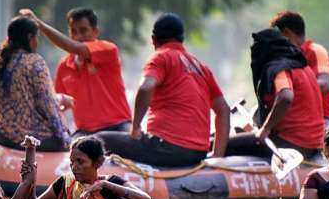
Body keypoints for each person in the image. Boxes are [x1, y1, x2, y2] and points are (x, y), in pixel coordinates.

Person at [98, 13, 230, 167]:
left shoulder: (161, 57)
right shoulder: (201, 67)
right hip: (198, 154)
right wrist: (217, 155)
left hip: (166, 150)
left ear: (153, 40)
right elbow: (224, 110)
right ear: (182, 39)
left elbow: (146, 87)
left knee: (99, 139)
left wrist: (135, 128)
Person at [19, 7, 132, 138]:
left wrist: (39, 25)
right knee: (68, 149)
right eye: (73, 31)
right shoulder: (64, 65)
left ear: (95, 32)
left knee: (135, 140)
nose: (78, 36)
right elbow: (59, 105)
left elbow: (74, 47)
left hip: (118, 126)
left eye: (83, 31)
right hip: (85, 132)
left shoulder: (108, 50)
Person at [225, 27, 324, 160]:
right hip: (313, 145)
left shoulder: (280, 68)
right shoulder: (304, 67)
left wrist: (265, 129)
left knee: (224, 144)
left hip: (291, 145)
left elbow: (286, 97)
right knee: (239, 133)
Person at [23, 136, 152, 199]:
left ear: (98, 162)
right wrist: (30, 182)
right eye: (72, 162)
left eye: (80, 161)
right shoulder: (64, 183)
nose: (74, 167)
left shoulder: (111, 183)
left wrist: (106, 185)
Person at [0, 16, 72, 151]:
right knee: (66, 141)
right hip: (26, 138)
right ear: (29, 37)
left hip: (0, 133)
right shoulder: (35, 61)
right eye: (36, 37)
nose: (37, 41)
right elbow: (46, 103)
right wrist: (64, 136)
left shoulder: (2, 61)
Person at [271, 11, 329, 124]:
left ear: (286, 33)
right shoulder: (282, 58)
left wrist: (288, 92)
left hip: (321, 119)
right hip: (292, 120)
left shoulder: (315, 51)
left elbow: (325, 84)